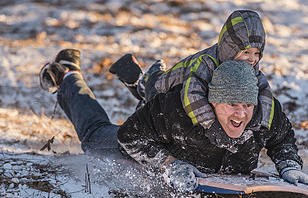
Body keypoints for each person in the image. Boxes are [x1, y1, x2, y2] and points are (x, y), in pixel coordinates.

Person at [39, 49, 308, 194]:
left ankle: (144, 84)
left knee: (151, 104)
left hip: (157, 113)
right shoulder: (179, 112)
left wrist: (289, 165)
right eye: (232, 105)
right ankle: (67, 76)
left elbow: (282, 138)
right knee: (94, 137)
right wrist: (169, 164)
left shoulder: (263, 113)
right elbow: (129, 137)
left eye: (247, 105)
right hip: (155, 135)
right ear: (213, 102)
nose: (241, 114)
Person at [110, 10, 274, 132]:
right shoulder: (206, 64)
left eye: (256, 53)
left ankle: (140, 82)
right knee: (150, 103)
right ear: (229, 48)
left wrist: (262, 124)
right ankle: (146, 78)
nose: (252, 59)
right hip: (166, 89)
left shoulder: (249, 68)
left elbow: (264, 90)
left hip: (179, 93)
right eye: (246, 52)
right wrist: (211, 126)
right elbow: (192, 95)